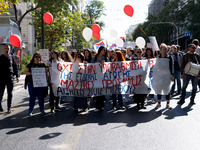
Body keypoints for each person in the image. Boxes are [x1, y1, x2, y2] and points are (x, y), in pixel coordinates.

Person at [0, 44, 19, 113]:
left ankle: (9, 107)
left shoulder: (12, 57)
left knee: (10, 93)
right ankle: (0, 106)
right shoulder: (1, 57)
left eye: (8, 49)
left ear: (10, 50)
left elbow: (15, 67)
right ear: (3, 49)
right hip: (2, 78)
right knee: (1, 92)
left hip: (10, 77)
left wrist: (17, 76)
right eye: (5, 48)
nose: (6, 50)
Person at [91, 46, 109, 111]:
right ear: (100, 50)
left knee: (102, 92)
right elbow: (91, 66)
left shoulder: (106, 58)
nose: (104, 51)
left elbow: (109, 67)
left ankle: (101, 105)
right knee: (97, 92)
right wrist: (96, 64)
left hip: (103, 77)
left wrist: (105, 64)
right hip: (96, 77)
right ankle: (97, 106)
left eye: (105, 50)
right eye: (103, 50)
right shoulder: (95, 57)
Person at [155, 44, 173, 109]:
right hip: (160, 76)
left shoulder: (169, 57)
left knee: (167, 89)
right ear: (160, 50)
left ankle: (168, 104)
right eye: (163, 49)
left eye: (166, 49)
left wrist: (171, 75)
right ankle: (159, 103)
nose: (165, 50)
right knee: (159, 89)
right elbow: (156, 67)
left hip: (167, 76)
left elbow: (171, 66)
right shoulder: (158, 57)